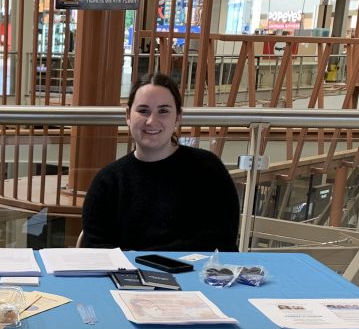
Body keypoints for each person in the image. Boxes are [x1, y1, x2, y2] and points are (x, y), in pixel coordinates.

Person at [81, 72, 240, 252]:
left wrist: (143, 258)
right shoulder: (108, 181)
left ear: (178, 117)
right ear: (128, 115)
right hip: (126, 271)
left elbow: (221, 241)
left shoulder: (208, 170)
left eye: (163, 111)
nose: (151, 121)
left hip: (194, 270)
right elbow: (95, 248)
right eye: (143, 111)